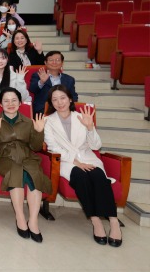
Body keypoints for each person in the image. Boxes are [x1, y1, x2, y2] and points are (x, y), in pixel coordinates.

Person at [44, 85, 122, 247]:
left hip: (89, 157)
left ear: (70, 99)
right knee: (80, 177)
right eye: (55, 100)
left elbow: (96, 145)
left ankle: (113, 221)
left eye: (63, 98)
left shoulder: (82, 117)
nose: (60, 102)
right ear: (51, 103)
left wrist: (90, 127)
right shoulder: (48, 121)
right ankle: (96, 221)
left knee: (99, 176)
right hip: (66, 162)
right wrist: (77, 162)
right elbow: (53, 148)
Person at [0, 87, 51, 243]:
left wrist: (39, 131)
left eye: (14, 100)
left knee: (35, 175)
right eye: (6, 101)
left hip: (27, 156)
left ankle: (33, 220)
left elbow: (35, 147)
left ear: (20, 102)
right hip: (4, 158)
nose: (10, 104)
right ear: (0, 104)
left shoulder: (28, 122)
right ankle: (20, 217)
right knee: (17, 173)